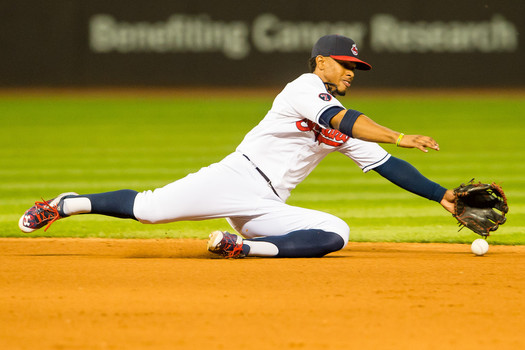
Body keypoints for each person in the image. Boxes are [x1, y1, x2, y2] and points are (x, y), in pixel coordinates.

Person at [19, 34, 456, 258]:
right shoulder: (303, 88)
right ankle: (66, 204)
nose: (352, 72)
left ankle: (243, 248)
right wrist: (401, 135)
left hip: (266, 203)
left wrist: (444, 197)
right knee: (150, 210)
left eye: (355, 67)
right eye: (346, 64)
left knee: (336, 233)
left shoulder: (346, 125)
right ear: (322, 62)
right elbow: (342, 119)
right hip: (237, 177)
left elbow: (386, 165)